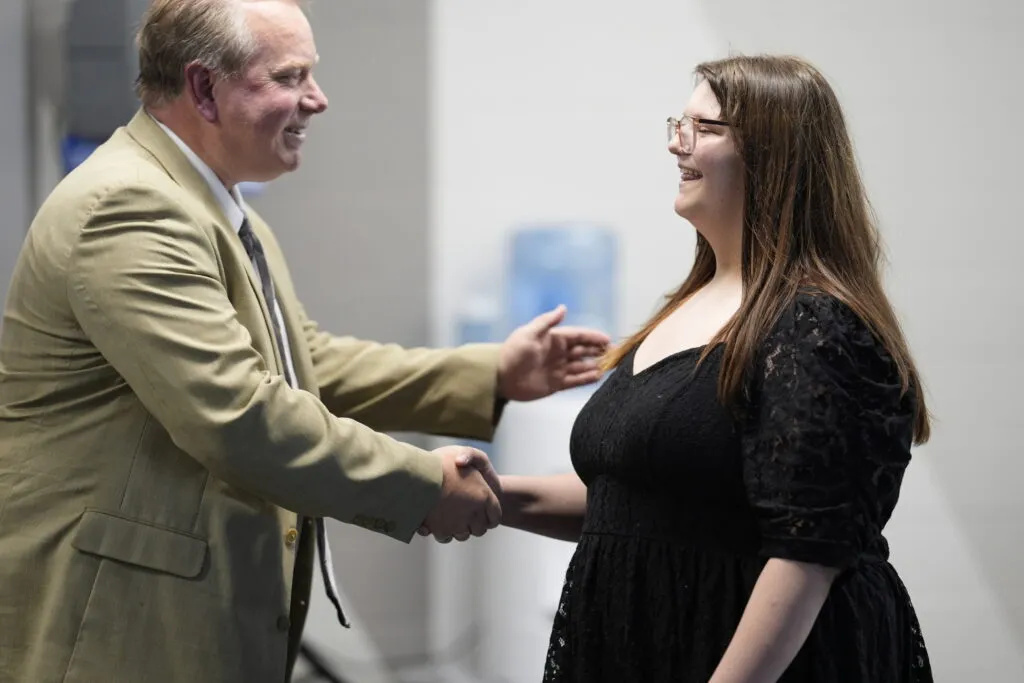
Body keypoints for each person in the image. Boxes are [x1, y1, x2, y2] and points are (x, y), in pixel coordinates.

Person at [0, 1, 609, 682]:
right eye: (290, 77)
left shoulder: (209, 204)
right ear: (204, 88)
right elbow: (241, 417)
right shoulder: (130, 208)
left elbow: (304, 364)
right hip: (111, 628)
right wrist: (422, 483)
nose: (316, 100)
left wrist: (492, 374)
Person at [493, 55, 934, 682]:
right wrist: (488, 492)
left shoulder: (817, 325)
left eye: (705, 127)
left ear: (772, 156)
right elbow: (635, 500)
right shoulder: (689, 303)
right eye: (679, 123)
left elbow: (807, 553)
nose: (677, 142)